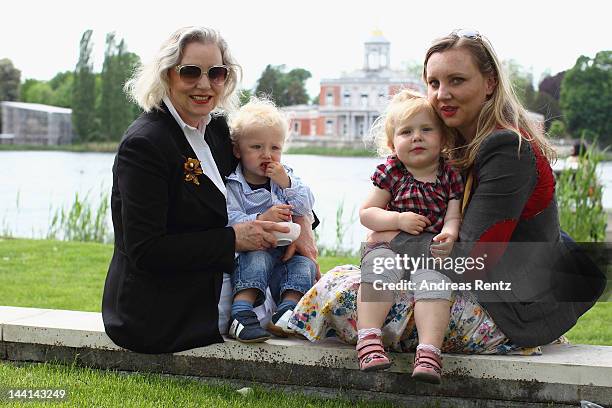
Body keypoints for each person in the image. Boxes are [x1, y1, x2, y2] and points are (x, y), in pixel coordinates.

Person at [290, 29, 604, 377]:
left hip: (506, 310)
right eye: (434, 82)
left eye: (456, 80)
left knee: (339, 291)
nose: (442, 94)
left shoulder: (505, 149)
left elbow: (472, 260)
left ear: (489, 82)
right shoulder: (465, 140)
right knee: (367, 278)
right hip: (497, 288)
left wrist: (393, 238)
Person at [102, 26, 318, 354]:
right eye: (190, 72)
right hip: (162, 307)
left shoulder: (217, 129)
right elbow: (145, 251)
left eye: (216, 73)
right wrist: (234, 239)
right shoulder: (145, 144)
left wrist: (303, 224)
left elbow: (265, 177)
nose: (204, 84)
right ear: (167, 75)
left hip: (230, 278)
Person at [356, 90, 463, 383]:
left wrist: (449, 233)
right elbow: (367, 213)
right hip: (390, 247)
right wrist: (398, 219)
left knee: (435, 282)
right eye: (406, 132)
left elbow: (453, 215)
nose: (417, 137)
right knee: (380, 267)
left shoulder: (449, 174)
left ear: (443, 138)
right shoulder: (394, 172)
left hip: (426, 254)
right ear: (393, 144)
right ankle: (368, 339)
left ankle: (429, 352)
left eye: (426, 129)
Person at [225, 97, 317, 342]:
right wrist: (259, 218)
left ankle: (287, 313)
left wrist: (286, 182)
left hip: (285, 251)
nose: (267, 155)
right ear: (238, 150)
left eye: (274, 148)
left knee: (304, 266)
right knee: (256, 259)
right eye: (256, 147)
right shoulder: (234, 184)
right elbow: (229, 218)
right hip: (252, 250)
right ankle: (241, 312)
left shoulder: (285, 177)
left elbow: (306, 204)